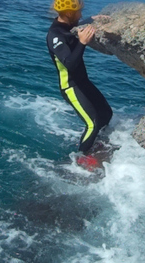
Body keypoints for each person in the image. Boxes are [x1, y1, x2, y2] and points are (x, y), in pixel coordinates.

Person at [46, 0, 113, 155]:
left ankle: (95, 145)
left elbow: (75, 27)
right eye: (79, 12)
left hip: (82, 82)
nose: (81, 14)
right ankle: (82, 159)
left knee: (106, 113)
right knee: (93, 124)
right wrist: (82, 43)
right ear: (69, 13)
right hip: (71, 87)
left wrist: (93, 19)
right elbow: (70, 63)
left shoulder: (67, 25)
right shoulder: (55, 35)